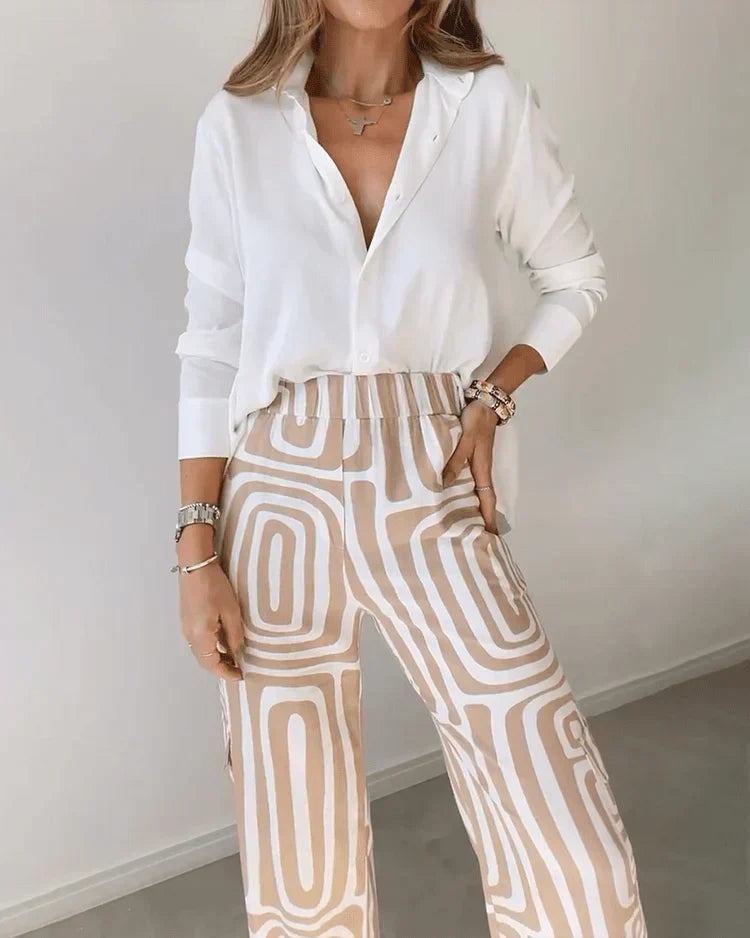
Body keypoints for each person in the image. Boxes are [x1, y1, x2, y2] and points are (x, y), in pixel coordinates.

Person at [172, 2, 649, 935]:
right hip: (277, 480)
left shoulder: (489, 106)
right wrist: (197, 555)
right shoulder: (237, 123)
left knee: (567, 834)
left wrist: (496, 393)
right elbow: (211, 342)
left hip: (431, 466)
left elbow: (575, 276)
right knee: (299, 856)